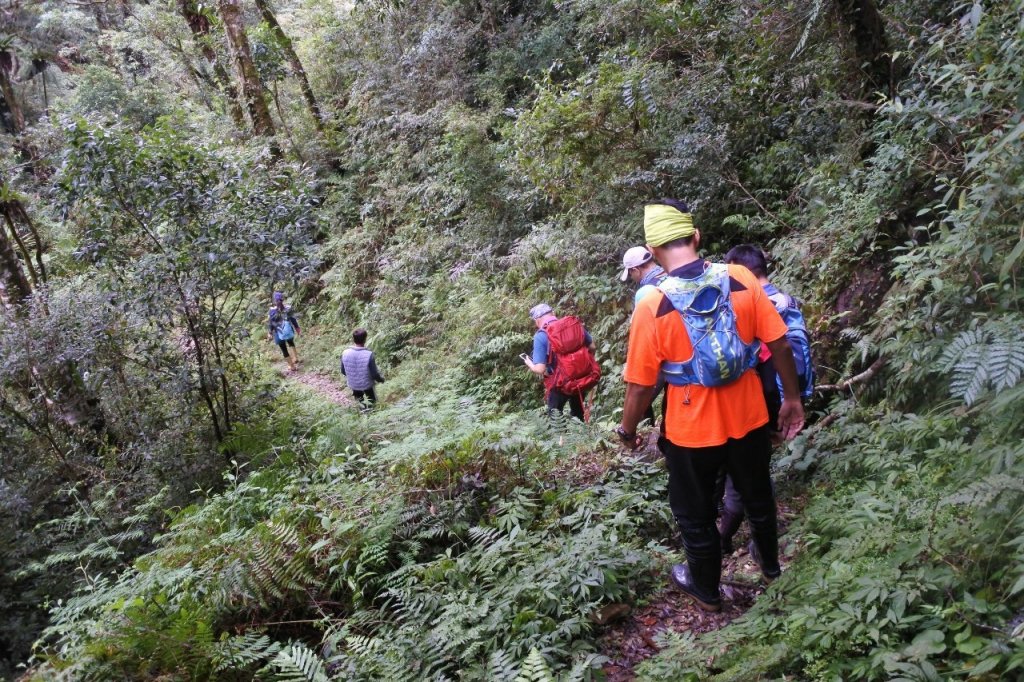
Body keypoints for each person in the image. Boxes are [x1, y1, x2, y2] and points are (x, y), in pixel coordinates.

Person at [615, 199, 805, 613]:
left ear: (653, 249)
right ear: (696, 236)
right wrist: (791, 398)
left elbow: (640, 387)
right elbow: (779, 343)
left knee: (694, 513)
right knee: (757, 496)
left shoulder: (652, 303)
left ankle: (706, 590)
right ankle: (771, 568)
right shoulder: (739, 278)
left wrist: (627, 431)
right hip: (750, 415)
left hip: (690, 431)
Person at [715, 244, 814, 553]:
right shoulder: (787, 301)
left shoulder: (747, 305)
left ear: (738, 268)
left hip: (757, 404)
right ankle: (756, 544)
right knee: (756, 472)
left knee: (741, 480)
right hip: (788, 398)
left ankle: (732, 545)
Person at [522, 303, 600, 423]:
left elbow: (540, 369)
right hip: (581, 379)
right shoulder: (573, 326)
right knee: (578, 414)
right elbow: (592, 347)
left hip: (560, 384)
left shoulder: (541, 335)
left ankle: (560, 439)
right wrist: (581, 365)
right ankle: (581, 438)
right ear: (553, 314)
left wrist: (529, 364)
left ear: (537, 320)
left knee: (555, 417)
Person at [621, 245, 667, 425]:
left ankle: (644, 435)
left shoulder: (645, 292)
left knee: (640, 400)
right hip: (686, 353)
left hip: (661, 357)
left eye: (631, 274)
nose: (632, 278)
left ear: (635, 270)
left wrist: (630, 363)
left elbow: (640, 333)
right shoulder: (672, 275)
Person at [340, 328, 385, 409]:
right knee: (372, 402)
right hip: (367, 385)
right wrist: (381, 380)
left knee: (360, 402)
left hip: (353, 384)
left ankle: (363, 413)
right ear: (365, 339)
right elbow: (374, 374)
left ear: (353, 339)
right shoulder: (369, 355)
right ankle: (372, 414)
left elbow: (343, 371)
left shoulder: (345, 353)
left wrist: (353, 377)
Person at [268, 292, 300, 372]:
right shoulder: (288, 308)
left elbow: (271, 323)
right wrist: (297, 328)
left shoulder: (272, 311)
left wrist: (270, 332)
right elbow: (293, 319)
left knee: (283, 349)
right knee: (291, 342)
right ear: (282, 299)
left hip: (278, 332)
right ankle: (295, 358)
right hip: (288, 330)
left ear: (274, 300)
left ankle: (291, 366)